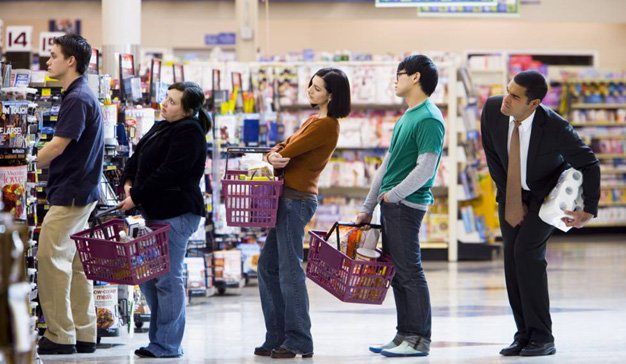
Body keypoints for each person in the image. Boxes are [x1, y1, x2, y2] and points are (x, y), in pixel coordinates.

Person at [481, 70, 600, 357]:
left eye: (515, 96)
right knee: (511, 259)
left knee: (526, 254)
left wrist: (589, 210)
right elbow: (493, 157)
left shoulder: (555, 127)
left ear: (533, 104)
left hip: (544, 197)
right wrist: (511, 196)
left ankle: (543, 336)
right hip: (510, 194)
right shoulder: (492, 110)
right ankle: (523, 334)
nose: (506, 99)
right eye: (507, 90)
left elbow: (589, 163)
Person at [255, 68, 351, 359]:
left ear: (332, 95)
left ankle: (298, 340)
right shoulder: (313, 120)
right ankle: (277, 336)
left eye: (318, 88)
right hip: (287, 199)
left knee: (289, 270)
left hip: (296, 200)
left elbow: (289, 151)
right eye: (311, 84)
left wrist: (275, 155)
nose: (310, 90)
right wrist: (274, 154)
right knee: (268, 267)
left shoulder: (326, 125)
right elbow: (281, 150)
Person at [355, 54, 445, 357]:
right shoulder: (407, 116)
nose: (396, 80)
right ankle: (404, 334)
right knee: (397, 272)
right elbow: (388, 164)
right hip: (392, 205)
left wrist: (394, 195)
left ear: (416, 77)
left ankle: (419, 338)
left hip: (407, 205)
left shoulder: (430, 118)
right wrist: (369, 205)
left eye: (399, 74)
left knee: (409, 271)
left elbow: (426, 168)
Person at [119, 82, 210, 358]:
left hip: (177, 212)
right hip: (154, 211)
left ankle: (167, 344)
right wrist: (128, 182)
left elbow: (169, 172)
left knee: (167, 278)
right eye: (166, 98)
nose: (165, 104)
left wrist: (135, 196)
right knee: (149, 277)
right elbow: (138, 155)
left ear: (188, 110)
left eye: (172, 101)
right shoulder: (163, 125)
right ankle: (158, 340)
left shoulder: (190, 132)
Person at [36, 34, 104, 355]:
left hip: (71, 194)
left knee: (50, 260)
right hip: (83, 192)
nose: (48, 62)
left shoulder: (77, 98)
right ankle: (84, 330)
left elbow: (59, 144)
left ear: (70, 61)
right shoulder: (82, 95)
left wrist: (25, 160)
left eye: (53, 56)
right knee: (75, 265)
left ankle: (60, 335)